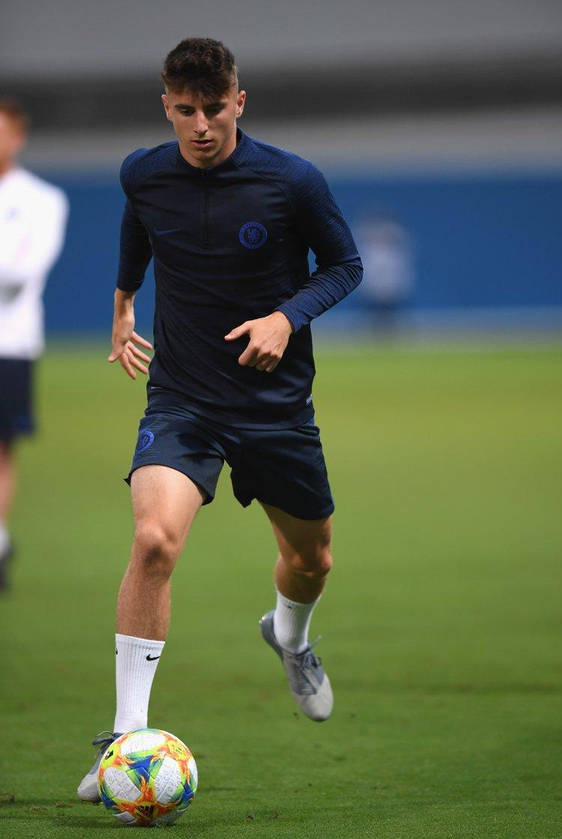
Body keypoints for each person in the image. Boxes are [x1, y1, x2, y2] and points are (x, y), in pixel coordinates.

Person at [77, 37, 362, 800]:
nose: (200, 125)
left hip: (274, 407)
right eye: (184, 110)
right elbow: (141, 226)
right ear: (166, 107)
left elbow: (345, 265)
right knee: (152, 539)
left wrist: (286, 316)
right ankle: (124, 738)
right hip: (184, 398)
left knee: (312, 561)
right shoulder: (143, 171)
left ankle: (291, 638)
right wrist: (122, 301)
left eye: (213, 108)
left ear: (239, 101)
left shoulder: (293, 180)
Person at [0, 98, 68, 591]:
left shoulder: (42, 200)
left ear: (18, 136)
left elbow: (19, 273)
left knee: (1, 448)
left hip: (10, 343)